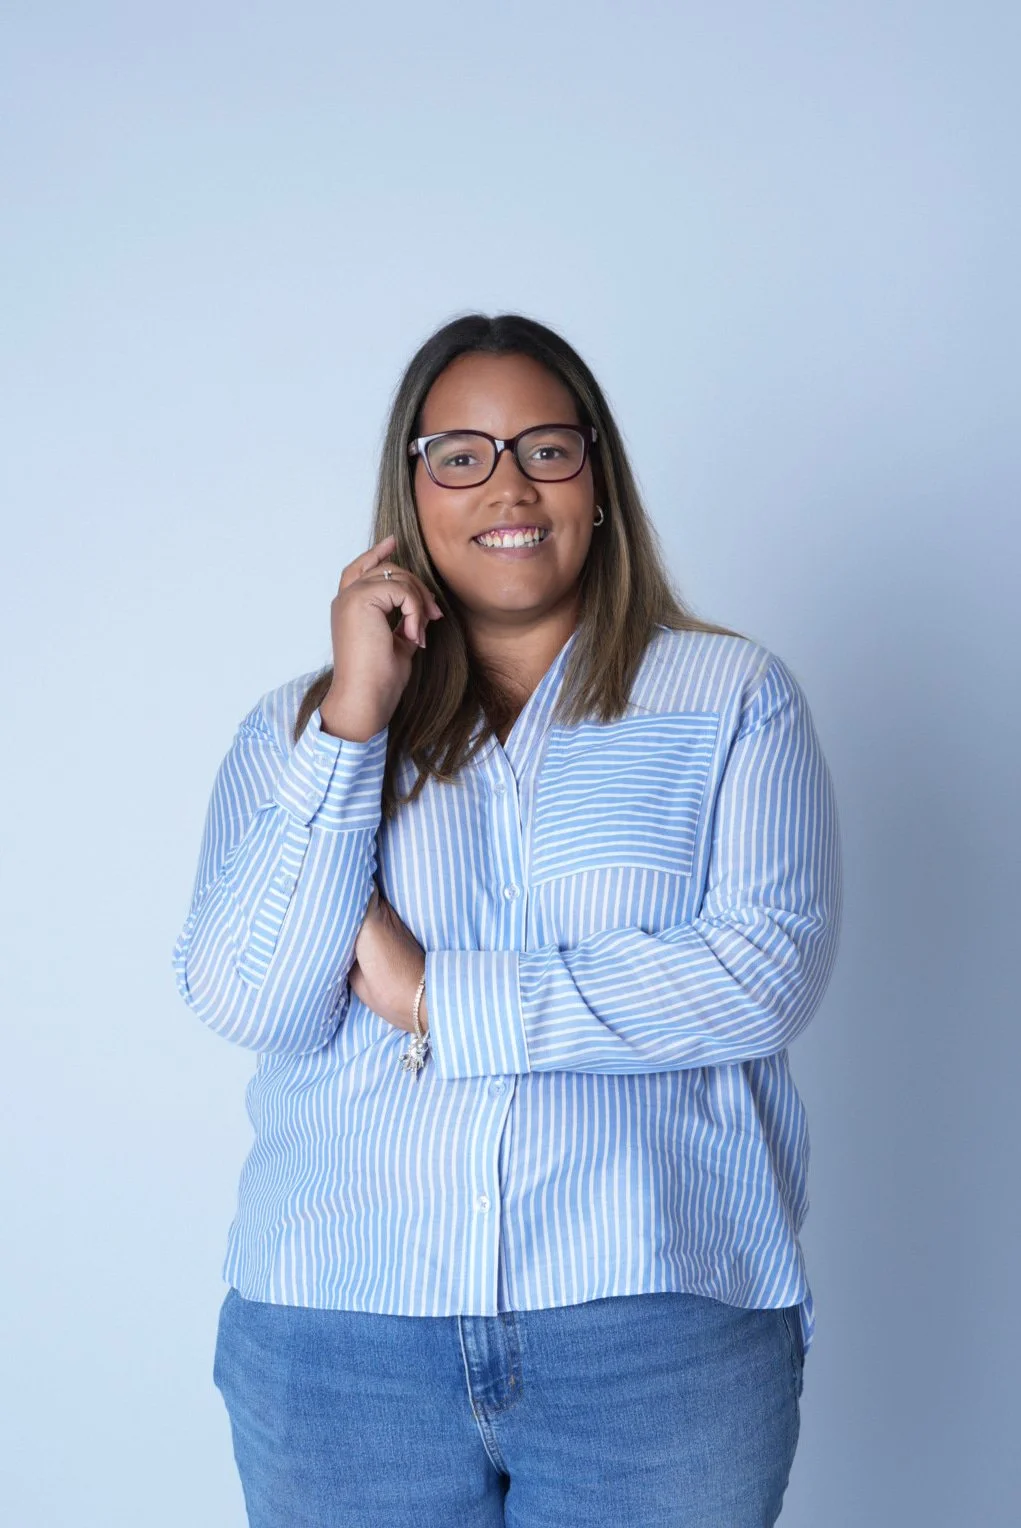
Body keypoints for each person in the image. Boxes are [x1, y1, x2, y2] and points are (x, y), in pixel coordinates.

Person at [172, 311, 843, 1527]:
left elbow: (759, 974)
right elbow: (249, 995)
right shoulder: (297, 729)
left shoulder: (731, 698)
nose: (509, 486)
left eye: (545, 447)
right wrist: (355, 724)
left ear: (597, 474)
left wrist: (439, 998)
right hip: (340, 1336)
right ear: (413, 486)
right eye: (462, 455)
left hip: (655, 1332)